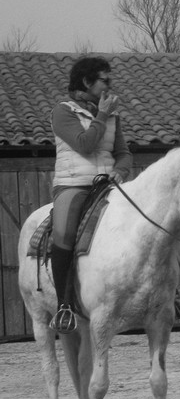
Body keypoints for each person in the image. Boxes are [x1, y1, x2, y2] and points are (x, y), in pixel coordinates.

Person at [49, 57, 133, 333]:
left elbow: (123, 153)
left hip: (107, 184)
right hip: (73, 185)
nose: (110, 85)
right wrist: (102, 115)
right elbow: (84, 145)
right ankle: (64, 304)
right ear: (87, 82)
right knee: (64, 232)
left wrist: (120, 171)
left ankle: (165, 294)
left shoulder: (111, 115)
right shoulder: (62, 112)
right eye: (104, 80)